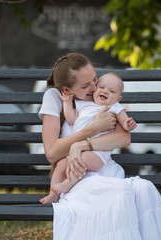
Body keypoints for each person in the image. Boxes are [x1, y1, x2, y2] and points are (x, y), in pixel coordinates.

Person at [39, 52, 161, 239]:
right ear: (67, 90)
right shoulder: (56, 98)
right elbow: (52, 152)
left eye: (95, 79)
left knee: (144, 189)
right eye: (86, 85)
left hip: (103, 166)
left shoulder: (104, 98)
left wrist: (83, 145)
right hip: (76, 175)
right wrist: (92, 130)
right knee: (120, 192)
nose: (95, 87)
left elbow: (123, 138)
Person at [40, 72, 137, 204]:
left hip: (97, 154)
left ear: (118, 98)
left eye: (111, 91)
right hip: (77, 151)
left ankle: (67, 184)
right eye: (101, 87)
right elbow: (72, 119)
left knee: (80, 161)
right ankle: (53, 194)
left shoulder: (114, 107)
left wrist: (128, 124)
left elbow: (125, 123)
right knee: (61, 165)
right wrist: (67, 103)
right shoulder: (83, 104)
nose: (105, 91)